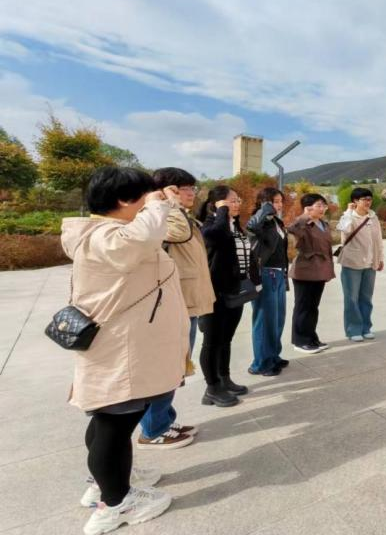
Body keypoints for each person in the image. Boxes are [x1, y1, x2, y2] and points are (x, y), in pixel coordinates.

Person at [61, 167, 187, 534]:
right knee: (114, 425)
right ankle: (114, 504)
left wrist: (158, 206)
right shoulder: (108, 237)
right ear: (124, 199)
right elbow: (141, 240)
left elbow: (155, 237)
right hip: (121, 350)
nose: (154, 201)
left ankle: (104, 483)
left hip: (124, 346)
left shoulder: (111, 233)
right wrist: (158, 205)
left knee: (109, 421)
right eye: (146, 195)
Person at [134, 168, 215, 451]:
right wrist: (168, 203)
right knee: (168, 366)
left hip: (186, 298)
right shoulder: (159, 215)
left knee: (177, 366)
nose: (192, 193)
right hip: (174, 300)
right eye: (184, 188)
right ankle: (153, 429)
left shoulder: (177, 213)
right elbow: (179, 234)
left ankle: (164, 420)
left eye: (193, 187)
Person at [198, 186, 251, 407]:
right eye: (232, 200)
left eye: (238, 200)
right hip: (214, 292)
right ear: (218, 203)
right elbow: (214, 238)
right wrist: (221, 211)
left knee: (226, 339)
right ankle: (212, 388)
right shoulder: (210, 224)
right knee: (211, 342)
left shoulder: (233, 225)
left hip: (233, 291)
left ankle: (224, 378)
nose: (237, 204)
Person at [247, 187, 290, 375]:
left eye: (280, 201)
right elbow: (251, 227)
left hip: (279, 273)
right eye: (274, 201)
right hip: (265, 273)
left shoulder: (276, 222)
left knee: (277, 318)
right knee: (265, 320)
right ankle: (261, 363)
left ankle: (273, 356)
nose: (278, 205)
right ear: (264, 203)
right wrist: (264, 210)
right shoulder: (260, 221)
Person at [288, 193, 335, 353]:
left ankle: (311, 338)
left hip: (320, 270)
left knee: (313, 307)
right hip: (305, 271)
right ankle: (300, 341)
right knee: (303, 307)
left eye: (324, 205)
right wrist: (304, 216)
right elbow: (292, 229)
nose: (322, 209)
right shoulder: (302, 223)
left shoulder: (323, 223)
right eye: (318, 205)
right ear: (308, 207)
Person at [337, 187, 384, 342]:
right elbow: (344, 228)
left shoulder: (373, 217)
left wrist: (380, 258)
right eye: (364, 199)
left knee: (366, 298)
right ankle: (353, 330)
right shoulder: (349, 217)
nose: (368, 202)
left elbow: (379, 240)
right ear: (355, 201)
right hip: (352, 263)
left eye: (370, 199)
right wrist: (348, 212)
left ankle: (366, 328)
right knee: (352, 298)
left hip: (370, 263)